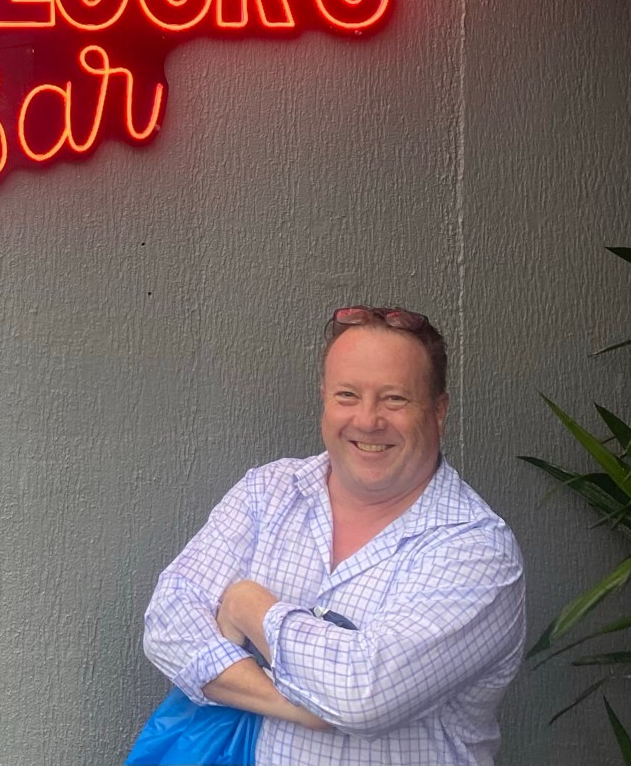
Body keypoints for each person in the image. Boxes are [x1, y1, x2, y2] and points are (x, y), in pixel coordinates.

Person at [142, 306, 525, 765]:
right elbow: (167, 625)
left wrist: (249, 606)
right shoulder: (268, 492)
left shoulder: (477, 548)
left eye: (394, 399)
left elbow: (364, 693)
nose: (367, 420)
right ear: (324, 398)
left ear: (438, 411)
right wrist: (297, 707)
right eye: (347, 395)